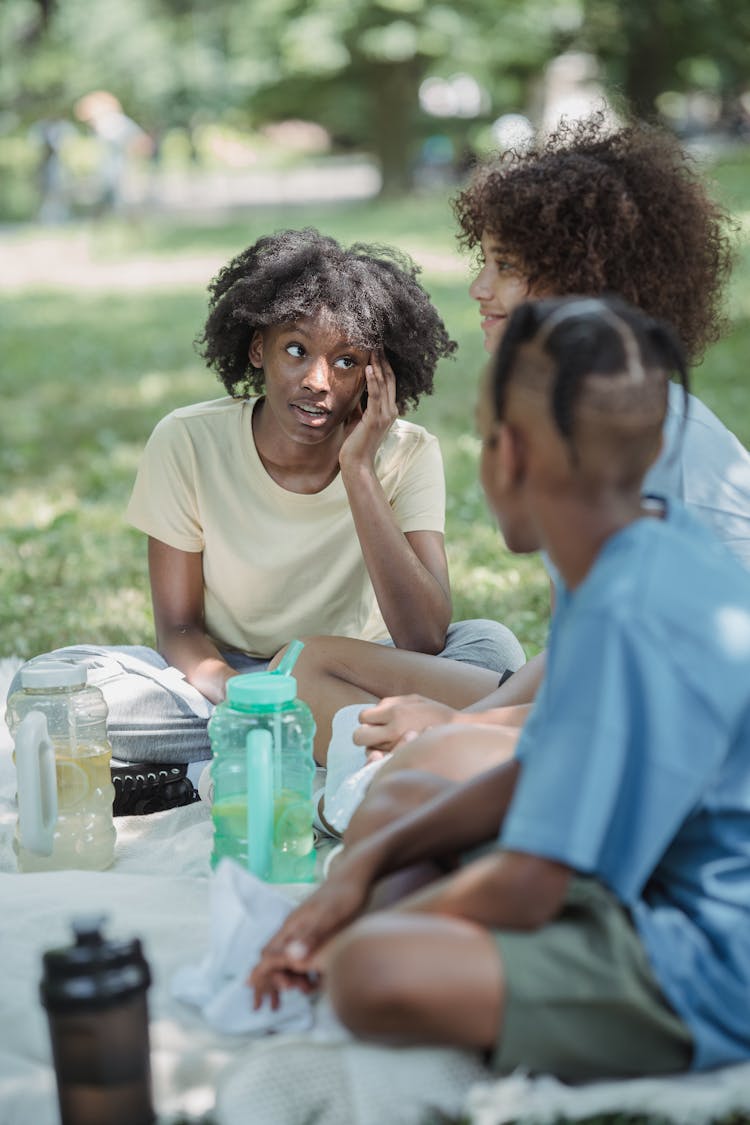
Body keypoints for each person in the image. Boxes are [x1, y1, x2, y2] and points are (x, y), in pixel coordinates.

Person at [250, 295, 750, 1081]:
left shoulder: (633, 609)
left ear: (510, 458)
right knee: (404, 816)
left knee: (368, 973)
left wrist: (338, 937)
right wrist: (360, 868)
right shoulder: (633, 541)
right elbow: (543, 762)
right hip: (632, 869)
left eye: (482, 438)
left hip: (705, 960)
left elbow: (527, 885)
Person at [277, 114, 750, 784]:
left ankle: (401, 782)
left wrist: (462, 730)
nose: (479, 289)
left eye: (505, 268)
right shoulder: (578, 419)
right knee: (305, 666)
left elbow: (647, 702)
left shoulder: (643, 444)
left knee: (433, 768)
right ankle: (401, 776)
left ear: (579, 282)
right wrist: (469, 720)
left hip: (688, 745)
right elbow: (578, 655)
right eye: (485, 263)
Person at [8, 229, 523, 776]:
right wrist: (248, 697)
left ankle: (310, 736)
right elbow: (179, 628)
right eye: (296, 351)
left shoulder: (407, 453)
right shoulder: (187, 440)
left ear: (378, 376)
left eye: (347, 362)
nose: (318, 381)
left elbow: (424, 637)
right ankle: (364, 735)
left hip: (370, 669)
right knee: (52, 691)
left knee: (491, 645)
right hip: (226, 675)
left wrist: (360, 472)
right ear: (259, 348)